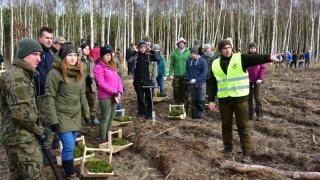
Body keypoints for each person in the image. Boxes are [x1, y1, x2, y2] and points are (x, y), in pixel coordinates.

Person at [208, 39, 280, 164]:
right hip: (224, 100)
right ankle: (228, 149)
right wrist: (211, 100)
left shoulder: (239, 58)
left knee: (243, 127)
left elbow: (255, 59)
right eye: (224, 48)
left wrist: (269, 57)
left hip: (240, 99)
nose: (227, 50)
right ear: (220, 50)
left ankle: (246, 153)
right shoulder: (215, 64)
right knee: (226, 126)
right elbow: (213, 83)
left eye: (229, 47)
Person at [0, 38, 47, 180]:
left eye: (40, 55)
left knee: (18, 176)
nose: (38, 59)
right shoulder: (17, 77)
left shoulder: (20, 74)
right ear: (25, 54)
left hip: (16, 136)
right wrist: (39, 130)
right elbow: (20, 112)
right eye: (35, 54)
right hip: (22, 138)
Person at [45, 44, 89, 180]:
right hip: (61, 115)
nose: (73, 58)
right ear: (63, 57)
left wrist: (86, 114)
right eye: (69, 55)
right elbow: (49, 97)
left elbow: (82, 95)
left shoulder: (79, 72)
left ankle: (66, 168)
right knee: (69, 146)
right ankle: (70, 175)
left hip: (75, 115)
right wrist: (53, 120)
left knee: (68, 147)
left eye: (75, 55)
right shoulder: (55, 73)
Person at [35, 26, 58, 165]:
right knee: (47, 123)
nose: (49, 41)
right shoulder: (38, 54)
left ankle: (54, 143)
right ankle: (44, 154)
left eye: (51, 38)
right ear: (40, 38)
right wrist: (51, 89)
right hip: (42, 94)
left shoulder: (50, 54)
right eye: (46, 38)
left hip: (52, 93)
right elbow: (40, 77)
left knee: (54, 119)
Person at [93, 45, 123, 143]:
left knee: (111, 118)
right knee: (105, 118)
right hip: (105, 97)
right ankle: (103, 139)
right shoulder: (99, 67)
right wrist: (113, 91)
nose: (108, 56)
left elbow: (118, 80)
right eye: (106, 54)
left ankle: (108, 136)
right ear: (102, 56)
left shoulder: (112, 67)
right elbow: (101, 83)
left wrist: (119, 91)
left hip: (114, 96)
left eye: (110, 54)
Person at [130, 40, 161, 119]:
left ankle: (150, 114)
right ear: (139, 48)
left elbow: (158, 58)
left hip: (147, 81)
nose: (143, 49)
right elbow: (130, 61)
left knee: (149, 99)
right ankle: (141, 113)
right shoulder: (136, 56)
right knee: (140, 99)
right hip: (138, 80)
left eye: (144, 48)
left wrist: (151, 50)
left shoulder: (148, 56)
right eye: (141, 48)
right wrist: (135, 52)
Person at [80, 43, 99, 124]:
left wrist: (93, 75)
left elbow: (94, 70)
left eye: (88, 49)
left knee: (93, 101)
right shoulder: (78, 59)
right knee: (83, 101)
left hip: (91, 83)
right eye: (85, 49)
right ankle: (85, 117)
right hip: (82, 84)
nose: (87, 50)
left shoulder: (91, 59)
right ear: (82, 49)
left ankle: (93, 117)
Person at [186, 47, 207, 119]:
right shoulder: (189, 61)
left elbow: (204, 72)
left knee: (200, 99)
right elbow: (187, 71)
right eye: (191, 54)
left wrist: (197, 79)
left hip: (201, 83)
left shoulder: (202, 61)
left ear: (197, 54)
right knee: (194, 99)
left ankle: (201, 114)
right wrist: (190, 79)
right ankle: (194, 113)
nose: (193, 55)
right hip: (191, 83)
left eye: (194, 54)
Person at [247, 42, 266, 121]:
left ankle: (259, 114)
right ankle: (249, 114)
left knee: (257, 98)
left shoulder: (259, 58)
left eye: (254, 48)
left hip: (257, 81)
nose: (253, 49)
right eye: (251, 48)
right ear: (249, 49)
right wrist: (246, 78)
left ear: (256, 49)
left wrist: (260, 78)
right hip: (248, 81)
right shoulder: (246, 57)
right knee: (249, 98)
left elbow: (263, 69)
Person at [169, 37, 191, 104]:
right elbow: (172, 64)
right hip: (176, 75)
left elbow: (191, 64)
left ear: (185, 44)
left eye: (182, 43)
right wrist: (171, 74)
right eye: (180, 43)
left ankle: (184, 102)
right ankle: (177, 102)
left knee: (185, 90)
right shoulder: (174, 53)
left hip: (185, 75)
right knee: (176, 90)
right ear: (178, 44)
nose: (181, 44)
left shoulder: (188, 52)